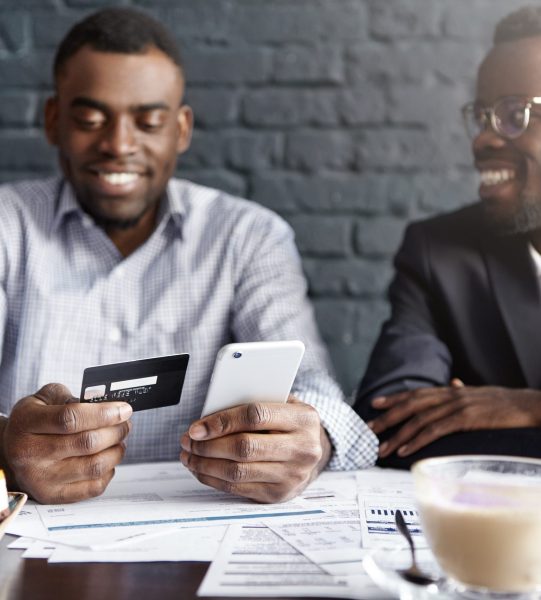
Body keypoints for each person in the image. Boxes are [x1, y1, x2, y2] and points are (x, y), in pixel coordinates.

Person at [0, 8, 376, 504]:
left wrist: (315, 439)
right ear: (53, 121)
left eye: (149, 122)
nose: (118, 144)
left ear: (180, 129)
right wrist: (5, 449)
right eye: (91, 119)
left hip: (197, 529)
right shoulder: (8, 226)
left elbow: (314, 388)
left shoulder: (249, 237)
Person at [355, 5, 541, 468]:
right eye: (482, 116)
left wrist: (527, 406)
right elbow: (393, 430)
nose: (482, 139)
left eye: (515, 113)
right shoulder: (439, 253)